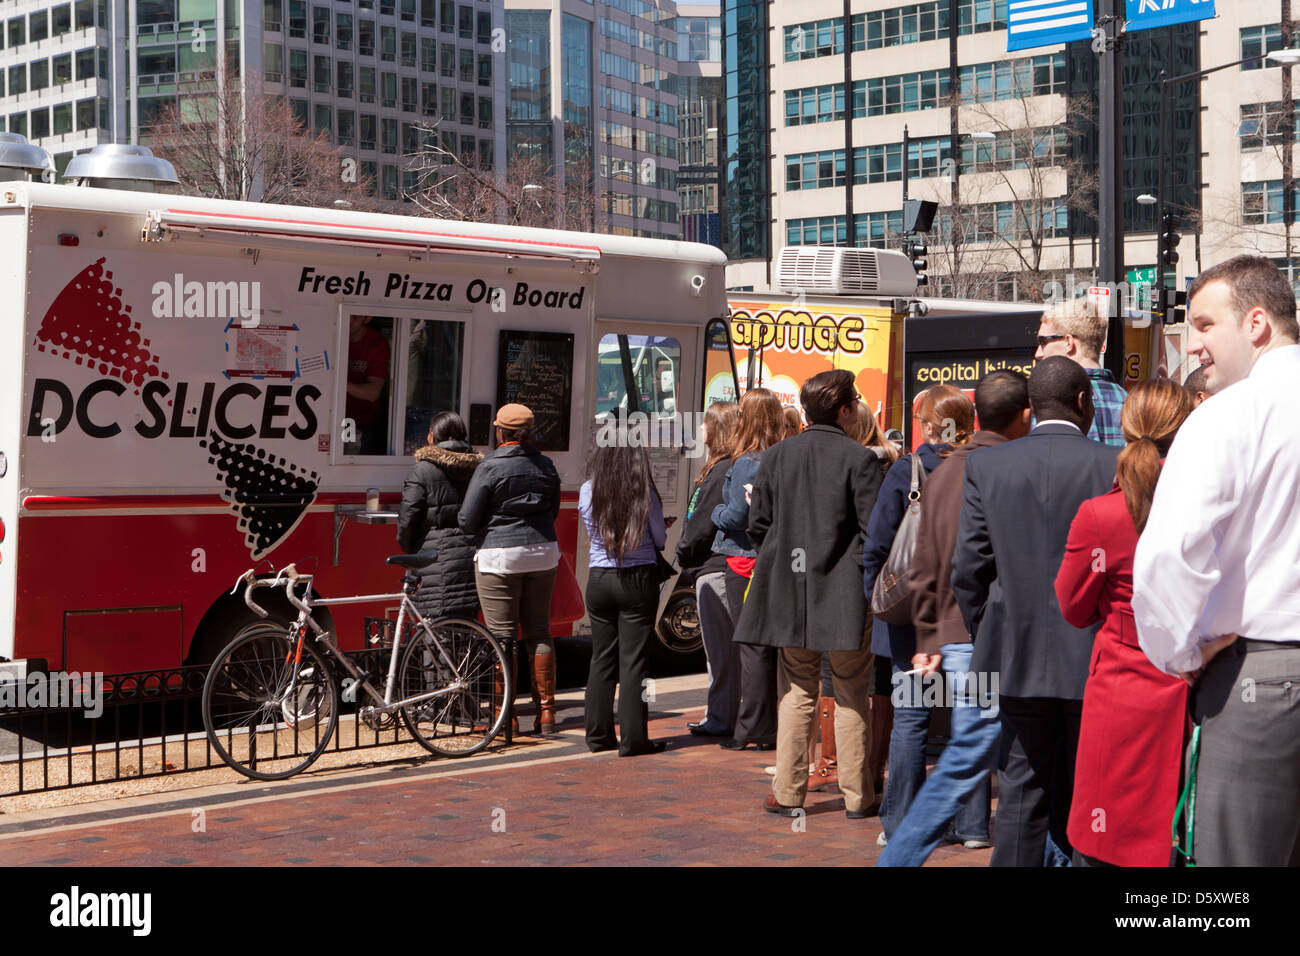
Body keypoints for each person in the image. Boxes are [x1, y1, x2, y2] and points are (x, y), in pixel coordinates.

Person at [1133, 255, 1300, 867]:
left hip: (1261, 674)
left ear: (1256, 323)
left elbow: (1171, 556)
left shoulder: (1230, 414)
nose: (1194, 342)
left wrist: (1181, 652)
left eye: (1205, 325)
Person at [951, 356, 1121, 867]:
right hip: (1093, 654)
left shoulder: (988, 465)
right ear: (1085, 402)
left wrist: (994, 630)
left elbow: (970, 568)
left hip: (1017, 653)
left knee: (1022, 792)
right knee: (1090, 793)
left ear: (1031, 407)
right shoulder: (1114, 465)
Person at [876, 370, 1033, 866]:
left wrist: (920, 627)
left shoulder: (928, 474)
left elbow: (905, 556)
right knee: (976, 737)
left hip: (934, 631)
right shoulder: (1001, 467)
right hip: (980, 629)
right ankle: (963, 831)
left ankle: (906, 833)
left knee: (935, 732)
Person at [1054, 379, 1193, 867]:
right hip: (1198, 694)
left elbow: (1072, 606)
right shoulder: (1208, 508)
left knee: (1104, 842)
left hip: (1121, 689)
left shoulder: (1102, 514)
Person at [733, 370, 883, 818]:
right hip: (845, 595)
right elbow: (873, 533)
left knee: (797, 689)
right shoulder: (860, 459)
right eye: (854, 400)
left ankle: (789, 791)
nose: (858, 407)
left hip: (790, 593)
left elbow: (757, 524)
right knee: (852, 691)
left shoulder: (777, 456)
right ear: (842, 409)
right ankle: (859, 797)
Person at [863, 384, 973, 846]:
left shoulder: (906, 471)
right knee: (971, 715)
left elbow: (877, 548)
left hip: (911, 619)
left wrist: (881, 600)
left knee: (912, 716)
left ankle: (902, 824)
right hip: (968, 612)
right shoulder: (980, 469)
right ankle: (971, 826)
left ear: (928, 425)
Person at [458, 403, 562, 735]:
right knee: (539, 632)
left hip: (499, 556)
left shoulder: (490, 467)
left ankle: (507, 718)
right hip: (543, 552)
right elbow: (554, 510)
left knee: (503, 638)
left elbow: (467, 518)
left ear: (500, 432)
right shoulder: (546, 465)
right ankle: (546, 714)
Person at [580, 442, 668, 757]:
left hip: (599, 578)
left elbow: (592, 532)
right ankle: (634, 739)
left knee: (601, 656)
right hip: (637, 578)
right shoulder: (644, 491)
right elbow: (659, 538)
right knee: (634, 663)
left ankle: (598, 735)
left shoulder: (588, 490)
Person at [711, 387, 785, 751]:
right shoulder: (782, 455)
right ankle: (768, 724)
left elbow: (738, 515)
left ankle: (750, 728)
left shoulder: (746, 462)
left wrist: (715, 514)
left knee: (751, 644)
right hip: (776, 560)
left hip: (744, 560)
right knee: (770, 646)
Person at [839, 402, 901, 796]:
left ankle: (854, 768)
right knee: (884, 678)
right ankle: (877, 764)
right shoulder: (895, 464)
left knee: (849, 680)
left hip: (863, 582)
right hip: (895, 584)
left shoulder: (854, 466)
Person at [676, 402, 741, 738]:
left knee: (719, 653)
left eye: (705, 424)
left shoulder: (721, 471)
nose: (700, 430)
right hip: (718, 568)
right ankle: (726, 714)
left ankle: (720, 717)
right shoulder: (725, 467)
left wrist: (683, 553)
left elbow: (699, 524)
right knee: (726, 652)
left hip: (714, 569)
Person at [397, 411, 484, 622]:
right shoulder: (479, 469)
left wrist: (411, 550)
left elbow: (408, 520)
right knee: (464, 633)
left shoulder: (422, 470)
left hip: (431, 563)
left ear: (431, 436)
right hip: (470, 561)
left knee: (433, 632)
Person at [1034, 297, 1127, 447]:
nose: (1038, 353)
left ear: (1068, 342)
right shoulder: (1131, 403)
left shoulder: (1048, 406)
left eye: (1043, 342)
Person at [346, 314, 391, 455]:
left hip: (361, 423)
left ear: (368, 318)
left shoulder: (377, 344)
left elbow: (373, 392)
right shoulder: (331, 334)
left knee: (349, 469)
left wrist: (339, 383)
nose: (349, 321)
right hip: (330, 418)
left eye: (355, 317)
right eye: (347, 316)